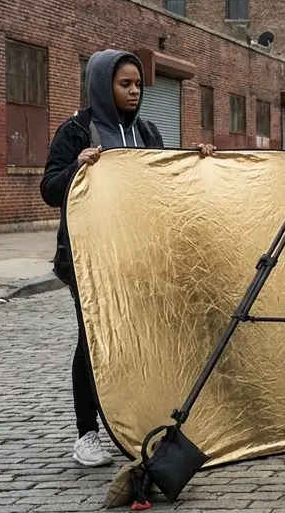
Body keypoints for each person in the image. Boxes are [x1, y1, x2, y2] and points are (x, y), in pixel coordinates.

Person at [40, 49, 215, 467]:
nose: (135, 91)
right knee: (93, 340)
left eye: (138, 84)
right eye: (125, 84)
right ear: (104, 85)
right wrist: (76, 170)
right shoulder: (77, 131)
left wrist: (195, 160)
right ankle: (87, 434)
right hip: (88, 258)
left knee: (143, 339)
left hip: (138, 255)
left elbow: (163, 185)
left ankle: (139, 423)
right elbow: (49, 189)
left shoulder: (148, 132)